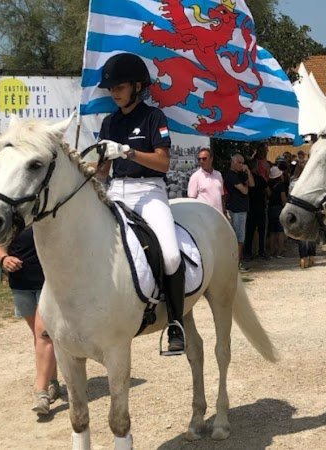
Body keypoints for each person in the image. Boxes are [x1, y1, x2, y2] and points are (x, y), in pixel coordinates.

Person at [95, 52, 186, 356]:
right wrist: (92, 165)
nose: (114, 93)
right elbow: (102, 172)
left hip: (149, 191)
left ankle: (176, 323)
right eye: (112, 89)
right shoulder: (109, 122)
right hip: (117, 191)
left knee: (171, 256)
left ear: (136, 86)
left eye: (119, 87)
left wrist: (127, 152)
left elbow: (162, 163)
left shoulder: (153, 118)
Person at [0, 227, 60, 416]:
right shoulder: (11, 218)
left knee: (44, 334)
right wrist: (4, 259)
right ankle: (53, 382)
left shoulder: (45, 213)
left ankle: (42, 393)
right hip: (20, 285)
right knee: (40, 337)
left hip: (48, 283)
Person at [224, 153, 254, 272]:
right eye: (239, 162)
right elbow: (245, 190)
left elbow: (252, 184)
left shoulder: (241, 174)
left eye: (243, 162)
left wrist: (248, 171)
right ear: (233, 162)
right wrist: (245, 184)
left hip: (242, 208)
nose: (242, 165)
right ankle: (236, 264)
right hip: (236, 209)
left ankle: (237, 262)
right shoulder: (231, 176)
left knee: (241, 237)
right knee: (238, 238)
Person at [290, 162, 316, 268]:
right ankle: (311, 257)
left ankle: (302, 258)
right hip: (309, 210)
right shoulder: (311, 182)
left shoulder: (292, 182)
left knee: (301, 235)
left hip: (296, 210)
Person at [187, 148, 225, 214]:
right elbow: (191, 200)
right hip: (203, 216)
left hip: (218, 215)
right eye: (199, 159)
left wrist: (224, 212)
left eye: (204, 159)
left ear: (211, 159)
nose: (201, 161)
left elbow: (221, 196)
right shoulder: (195, 176)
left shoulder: (218, 175)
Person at [244, 158, 268, 260]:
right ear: (255, 167)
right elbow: (268, 191)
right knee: (262, 231)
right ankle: (261, 251)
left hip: (249, 208)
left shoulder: (244, 179)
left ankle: (248, 252)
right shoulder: (260, 179)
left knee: (249, 231)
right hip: (260, 207)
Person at [266, 165, 288, 258]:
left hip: (271, 208)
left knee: (272, 231)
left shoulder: (268, 184)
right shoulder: (281, 185)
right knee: (280, 231)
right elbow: (283, 198)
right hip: (279, 208)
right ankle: (280, 250)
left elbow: (268, 195)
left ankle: (272, 251)